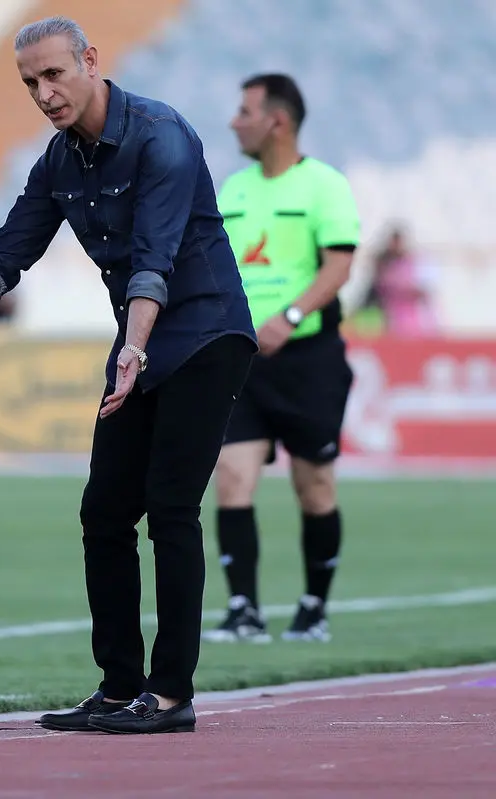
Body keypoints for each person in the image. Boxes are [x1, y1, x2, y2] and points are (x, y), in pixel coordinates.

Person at [0, 16, 256, 734]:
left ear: (90, 62)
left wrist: (132, 347)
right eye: (29, 83)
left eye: (53, 75)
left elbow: (154, 262)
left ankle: (169, 695)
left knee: (169, 508)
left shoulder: (162, 134)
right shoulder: (59, 163)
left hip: (204, 332)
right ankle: (117, 685)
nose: (43, 93)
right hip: (139, 343)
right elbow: (2, 260)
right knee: (103, 512)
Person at [203, 74, 360, 644]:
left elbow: (338, 266)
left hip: (308, 359)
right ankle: (243, 610)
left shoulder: (325, 186)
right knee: (232, 475)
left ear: (278, 120)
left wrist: (289, 318)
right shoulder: (234, 190)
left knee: (313, 484)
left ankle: (313, 607)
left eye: (244, 110)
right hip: (241, 357)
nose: (233, 121)